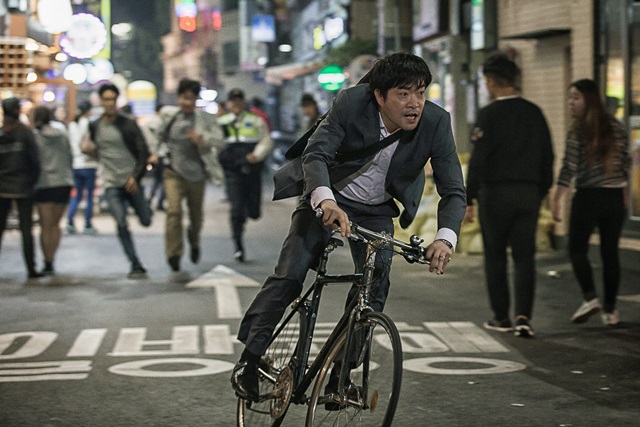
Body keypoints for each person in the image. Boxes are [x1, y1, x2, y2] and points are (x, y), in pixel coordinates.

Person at [230, 51, 467, 401]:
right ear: (379, 95)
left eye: (420, 92)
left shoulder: (435, 122)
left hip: (375, 210)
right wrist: (325, 201)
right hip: (330, 196)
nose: (414, 103)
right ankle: (249, 362)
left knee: (374, 287)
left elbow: (453, 190)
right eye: (403, 93)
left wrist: (445, 239)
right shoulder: (351, 103)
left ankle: (339, 377)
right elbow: (316, 154)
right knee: (291, 273)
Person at [465, 53, 554, 338]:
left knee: (495, 257)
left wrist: (468, 197)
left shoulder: (488, 115)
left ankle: (501, 317)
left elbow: (478, 160)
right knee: (525, 257)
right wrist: (541, 190)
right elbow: (548, 156)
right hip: (528, 192)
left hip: (495, 194)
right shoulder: (534, 112)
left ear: (491, 81)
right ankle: (524, 317)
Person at [552, 79, 630, 327]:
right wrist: (624, 195)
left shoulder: (578, 129)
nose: (570, 102)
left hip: (588, 197)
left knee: (576, 250)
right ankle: (610, 310)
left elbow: (570, 166)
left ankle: (590, 297)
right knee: (610, 254)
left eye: (575, 97)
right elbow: (625, 164)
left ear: (588, 99)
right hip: (614, 198)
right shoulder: (616, 126)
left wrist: (557, 198)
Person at [151, 78, 223, 272]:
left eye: (191, 98)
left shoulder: (205, 119)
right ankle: (173, 253)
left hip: (197, 174)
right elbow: (157, 135)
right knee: (173, 212)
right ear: (178, 98)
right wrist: (154, 154)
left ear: (197, 99)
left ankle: (194, 241)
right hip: (172, 171)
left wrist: (202, 139)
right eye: (184, 98)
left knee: (195, 216)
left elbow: (219, 140)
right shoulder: (170, 116)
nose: (187, 102)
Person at [88, 83, 152, 279]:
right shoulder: (94, 125)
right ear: (101, 101)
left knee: (146, 220)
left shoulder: (128, 124)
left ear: (117, 101)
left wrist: (136, 176)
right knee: (121, 223)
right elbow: (93, 148)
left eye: (112, 100)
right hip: (110, 182)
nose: (109, 103)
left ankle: (144, 209)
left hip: (130, 179)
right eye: (105, 99)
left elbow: (143, 152)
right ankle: (135, 263)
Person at [218, 88, 273, 262]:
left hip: (251, 169)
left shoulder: (255, 121)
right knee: (236, 210)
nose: (236, 104)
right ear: (228, 104)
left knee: (254, 212)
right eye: (233, 101)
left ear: (244, 102)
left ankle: (247, 213)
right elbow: (214, 144)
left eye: (239, 100)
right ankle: (238, 245)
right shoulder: (222, 122)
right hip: (233, 171)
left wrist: (256, 155)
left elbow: (266, 140)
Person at [0, 97, 42, 279]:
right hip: (24, 187)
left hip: (2, 188)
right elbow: (35, 161)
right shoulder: (25, 133)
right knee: (26, 230)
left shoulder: (1, 133)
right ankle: (31, 269)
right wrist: (32, 181)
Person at [32, 106, 74, 275]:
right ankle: (52, 259)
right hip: (63, 183)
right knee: (56, 225)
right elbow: (70, 156)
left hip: (44, 184)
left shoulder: (36, 138)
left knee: (45, 226)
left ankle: (46, 260)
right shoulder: (63, 135)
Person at [66, 101, 99, 235]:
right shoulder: (89, 124)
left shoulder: (72, 125)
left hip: (76, 164)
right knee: (89, 196)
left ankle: (69, 221)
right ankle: (87, 224)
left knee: (76, 195)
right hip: (89, 164)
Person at [141, 103, 166, 211]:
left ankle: (149, 199)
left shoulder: (145, 122)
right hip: (161, 155)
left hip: (151, 155)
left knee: (155, 179)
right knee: (163, 180)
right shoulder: (162, 123)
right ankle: (159, 201)